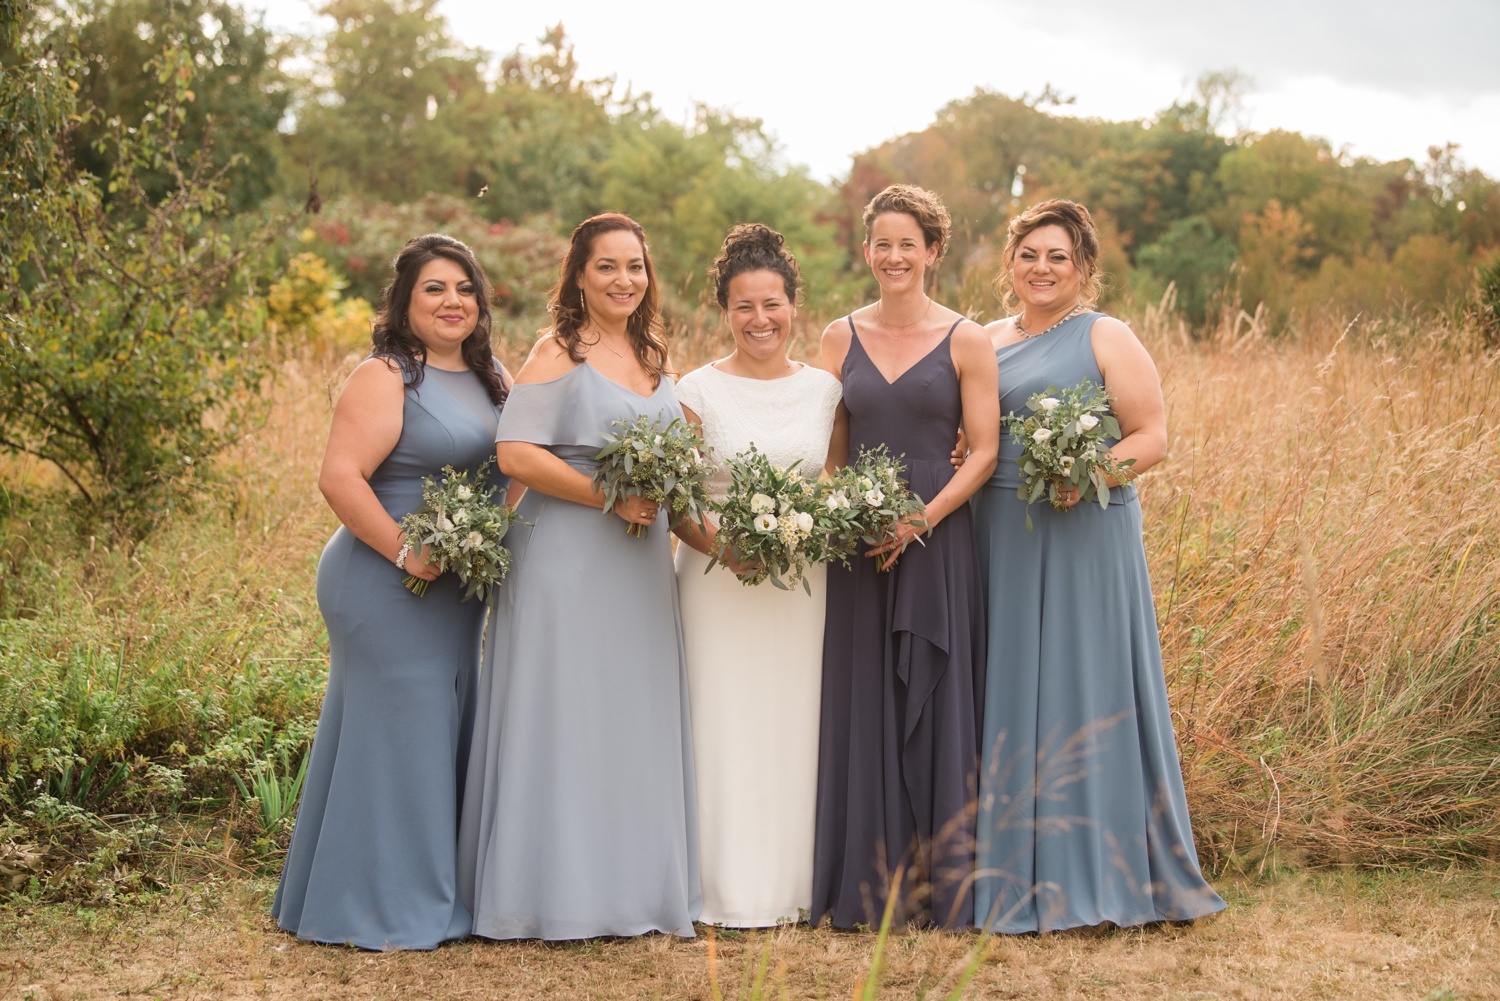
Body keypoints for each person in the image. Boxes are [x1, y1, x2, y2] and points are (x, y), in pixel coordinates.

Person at [972, 198, 1225, 933]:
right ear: (1009, 264)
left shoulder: (1108, 335)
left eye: (1057, 256)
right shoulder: (983, 339)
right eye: (1029, 254)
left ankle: (1102, 867)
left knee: (1088, 677)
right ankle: (1014, 870)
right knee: (1014, 681)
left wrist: (1086, 472)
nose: (1041, 268)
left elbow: (1151, 436)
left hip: (1085, 524)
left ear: (1083, 267)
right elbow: (976, 433)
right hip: (1007, 529)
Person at [457, 213, 700, 940]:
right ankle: (549, 891)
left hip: (639, 563)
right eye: (607, 267)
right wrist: (607, 495)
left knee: (626, 710)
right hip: (565, 556)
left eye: (636, 266)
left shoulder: (654, 355)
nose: (625, 279)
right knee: (564, 709)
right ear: (580, 275)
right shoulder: (559, 350)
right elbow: (515, 452)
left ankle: (625, 887)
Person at [273, 234, 513, 950]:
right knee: (397, 733)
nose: (453, 301)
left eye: (465, 287)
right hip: (383, 578)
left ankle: (412, 887)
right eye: (435, 288)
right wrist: (408, 548)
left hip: (455, 588)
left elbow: (515, 465)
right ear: (405, 301)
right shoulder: (386, 375)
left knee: (430, 730)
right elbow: (340, 476)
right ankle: (379, 904)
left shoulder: (492, 374)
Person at [812, 185, 999, 930]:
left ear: (933, 251)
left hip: (938, 531)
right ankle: (868, 883)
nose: (894, 256)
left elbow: (983, 449)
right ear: (867, 252)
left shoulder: (967, 338)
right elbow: (828, 455)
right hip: (860, 542)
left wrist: (924, 515)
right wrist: (852, 512)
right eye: (881, 243)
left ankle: (943, 886)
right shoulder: (836, 338)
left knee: (937, 692)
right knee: (864, 697)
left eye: (907, 244)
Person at [672, 224, 843, 927]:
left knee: (795, 721)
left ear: (793, 305)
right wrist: (723, 546)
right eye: (744, 305)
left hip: (803, 588)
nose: (760, 319)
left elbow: (841, 484)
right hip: (716, 581)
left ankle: (795, 883)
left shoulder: (828, 391)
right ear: (724, 311)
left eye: (772, 302)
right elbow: (675, 499)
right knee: (719, 719)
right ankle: (718, 887)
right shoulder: (695, 389)